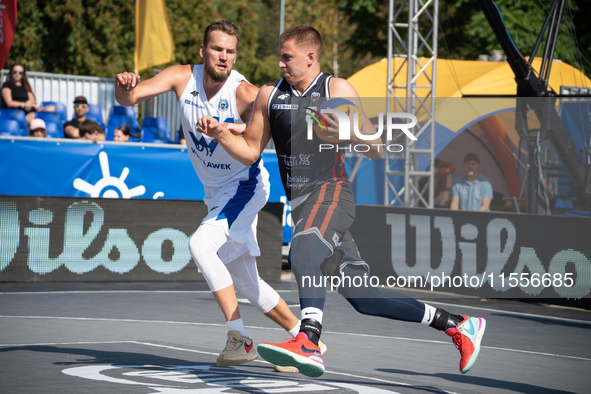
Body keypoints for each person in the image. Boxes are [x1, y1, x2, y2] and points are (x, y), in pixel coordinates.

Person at [200, 24, 487, 378]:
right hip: (304, 205)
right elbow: (249, 152)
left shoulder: (337, 90)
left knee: (303, 251)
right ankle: (457, 325)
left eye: (287, 57)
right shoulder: (269, 95)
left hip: (333, 193)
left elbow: (378, 150)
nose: (280, 64)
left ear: (311, 57)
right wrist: (222, 134)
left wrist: (351, 132)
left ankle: (308, 340)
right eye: (279, 56)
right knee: (366, 298)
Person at [114, 20, 317, 369]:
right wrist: (123, 87)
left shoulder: (243, 93)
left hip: (244, 186)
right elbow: (129, 98)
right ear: (203, 51)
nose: (224, 57)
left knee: (200, 246)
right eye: (218, 49)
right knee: (247, 284)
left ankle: (239, 338)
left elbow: (262, 141)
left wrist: (226, 131)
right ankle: (306, 340)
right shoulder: (181, 77)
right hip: (217, 193)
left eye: (230, 51)